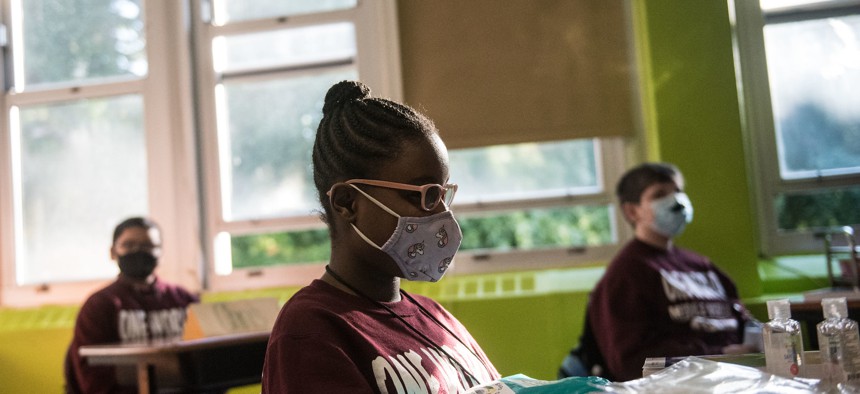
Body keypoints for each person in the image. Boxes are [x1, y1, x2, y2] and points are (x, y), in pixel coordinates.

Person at [262, 80, 500, 393]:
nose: (442, 214)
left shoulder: (437, 318)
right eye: (425, 194)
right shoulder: (312, 330)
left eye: (443, 194)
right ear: (347, 203)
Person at [585, 162, 755, 381]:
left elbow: (742, 319)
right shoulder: (627, 274)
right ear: (632, 211)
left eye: (678, 191)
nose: (676, 201)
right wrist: (716, 357)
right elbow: (630, 362)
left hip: (741, 375)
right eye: (659, 194)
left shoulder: (701, 264)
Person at [64, 217, 199, 393]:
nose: (138, 251)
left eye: (148, 246)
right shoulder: (99, 306)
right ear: (113, 252)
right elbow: (93, 379)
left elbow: (208, 367)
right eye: (129, 245)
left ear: (161, 252)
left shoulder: (184, 300)